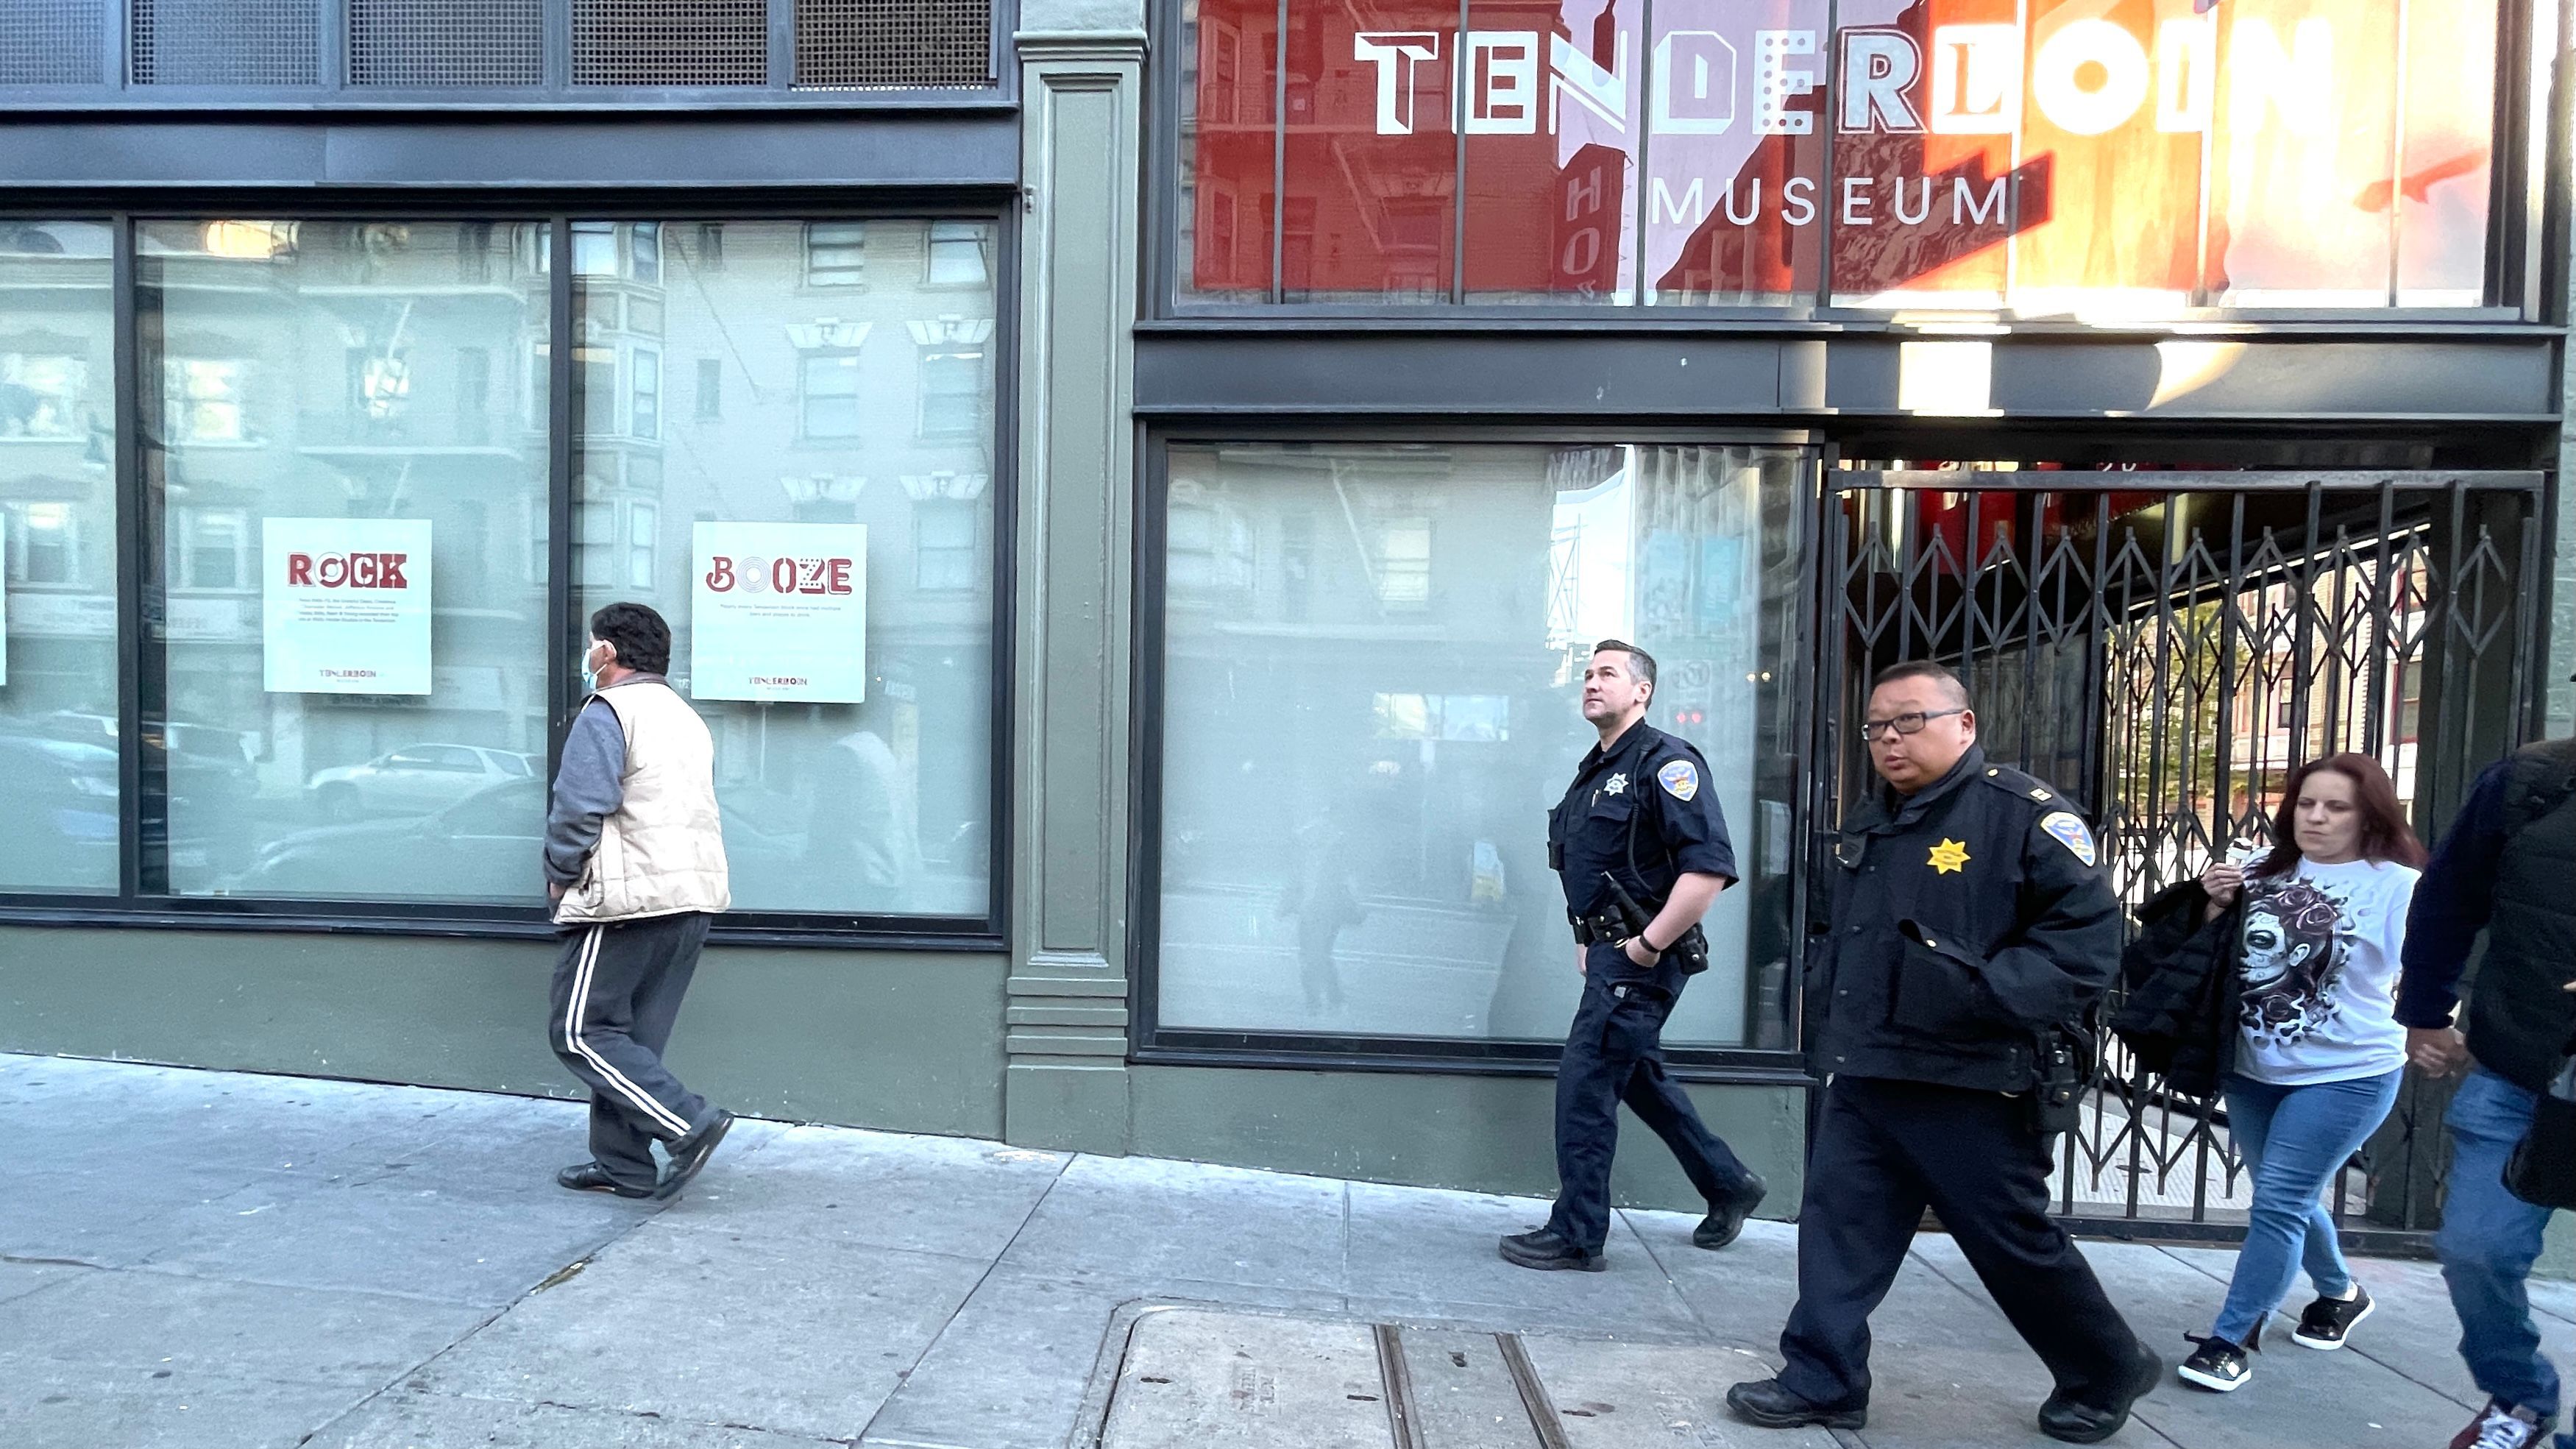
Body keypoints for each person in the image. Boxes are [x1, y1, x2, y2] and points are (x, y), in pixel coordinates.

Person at [1728, 661, 2158, 1444]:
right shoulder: (1873, 818)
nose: (1890, 740)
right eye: (1877, 727)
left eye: (1909, 721)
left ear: (1964, 723)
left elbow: (2088, 946)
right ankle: (1822, 1378)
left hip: (1971, 1077)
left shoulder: (2021, 815)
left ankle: (2106, 1364)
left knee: (2012, 1243)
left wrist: (1981, 999)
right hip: (1868, 1065)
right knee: (1839, 1227)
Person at [1498, 640, 1767, 1271]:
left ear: (1641, 691)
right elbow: (1587, 862)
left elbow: (1706, 871)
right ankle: (1728, 1182)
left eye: (1607, 674)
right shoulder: (1595, 767)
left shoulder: (1667, 762)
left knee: (1585, 1086)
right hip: (1612, 951)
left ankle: (1577, 1233)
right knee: (1637, 1077)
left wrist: (1646, 947)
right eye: (1588, 674)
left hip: (1644, 955)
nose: (1591, 683)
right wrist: (1585, 938)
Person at [2167, 755, 2424, 1393]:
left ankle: (2229, 1338)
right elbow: (2215, 959)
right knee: (2290, 1195)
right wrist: (2213, 904)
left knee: (2278, 1201)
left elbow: (2424, 970)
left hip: (2348, 1070)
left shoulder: (2396, 885)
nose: (2314, 816)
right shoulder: (2258, 868)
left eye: (2335, 807)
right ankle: (2339, 1290)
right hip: (2253, 1068)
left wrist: (2438, 1023)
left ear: (2369, 815)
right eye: (2305, 802)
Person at [2394, 727, 2576, 1449]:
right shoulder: (2533, 783)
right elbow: (2449, 897)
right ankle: (2521, 1400)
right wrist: (2424, 1013)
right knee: (2476, 1246)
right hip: (2518, 1067)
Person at [544, 602, 736, 1202]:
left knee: (580, 1031)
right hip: (691, 896)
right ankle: (623, 1165)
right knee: (632, 1039)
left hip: (630, 899)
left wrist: (560, 873)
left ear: (607, 653)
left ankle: (687, 1122)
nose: (589, 655)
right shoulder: (685, 717)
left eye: (593, 645)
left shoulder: (609, 711)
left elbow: (580, 806)